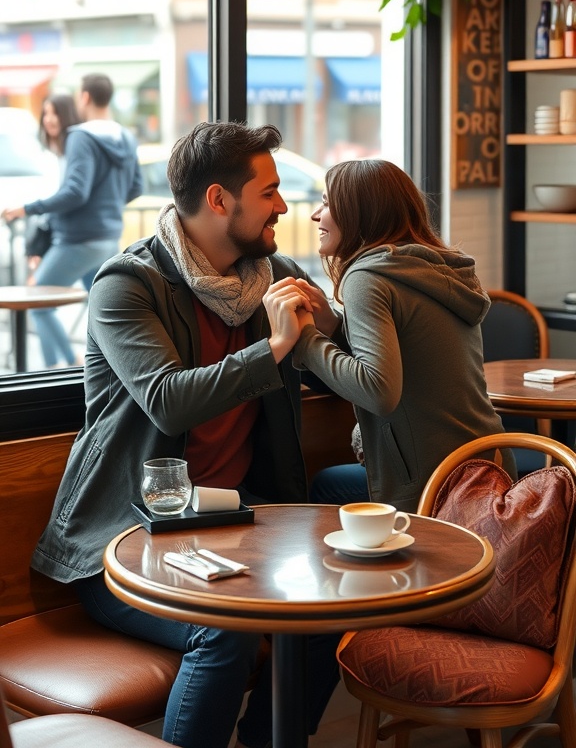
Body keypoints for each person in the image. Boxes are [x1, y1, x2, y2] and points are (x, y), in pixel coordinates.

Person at [30, 121, 341, 748]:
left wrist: (333, 323)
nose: (285, 206)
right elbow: (169, 402)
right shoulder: (126, 285)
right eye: (271, 192)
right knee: (223, 630)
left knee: (328, 611)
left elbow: (344, 384)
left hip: (233, 529)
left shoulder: (271, 274)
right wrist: (278, 344)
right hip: (126, 543)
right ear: (220, 201)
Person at [267, 158, 516, 511]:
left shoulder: (367, 277)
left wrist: (306, 338)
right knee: (329, 485)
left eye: (326, 203)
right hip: (488, 462)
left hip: (437, 484)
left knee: (320, 491)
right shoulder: (434, 266)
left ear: (359, 213)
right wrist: (333, 326)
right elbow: (410, 351)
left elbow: (379, 391)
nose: (315, 214)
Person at [1, 73, 143, 368]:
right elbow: (136, 187)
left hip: (79, 239)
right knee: (103, 309)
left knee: (38, 305)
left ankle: (64, 366)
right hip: (108, 238)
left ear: (85, 97)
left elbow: (75, 192)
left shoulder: (80, 136)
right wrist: (107, 208)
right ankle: (108, 369)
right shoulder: (125, 136)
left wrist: (27, 208)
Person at [24, 94, 82, 269]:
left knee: (40, 289)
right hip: (60, 233)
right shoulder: (51, 152)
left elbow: (72, 193)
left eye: (55, 113)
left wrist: (27, 209)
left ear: (67, 115)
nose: (49, 119)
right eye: (45, 113)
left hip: (74, 237)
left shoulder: (77, 148)